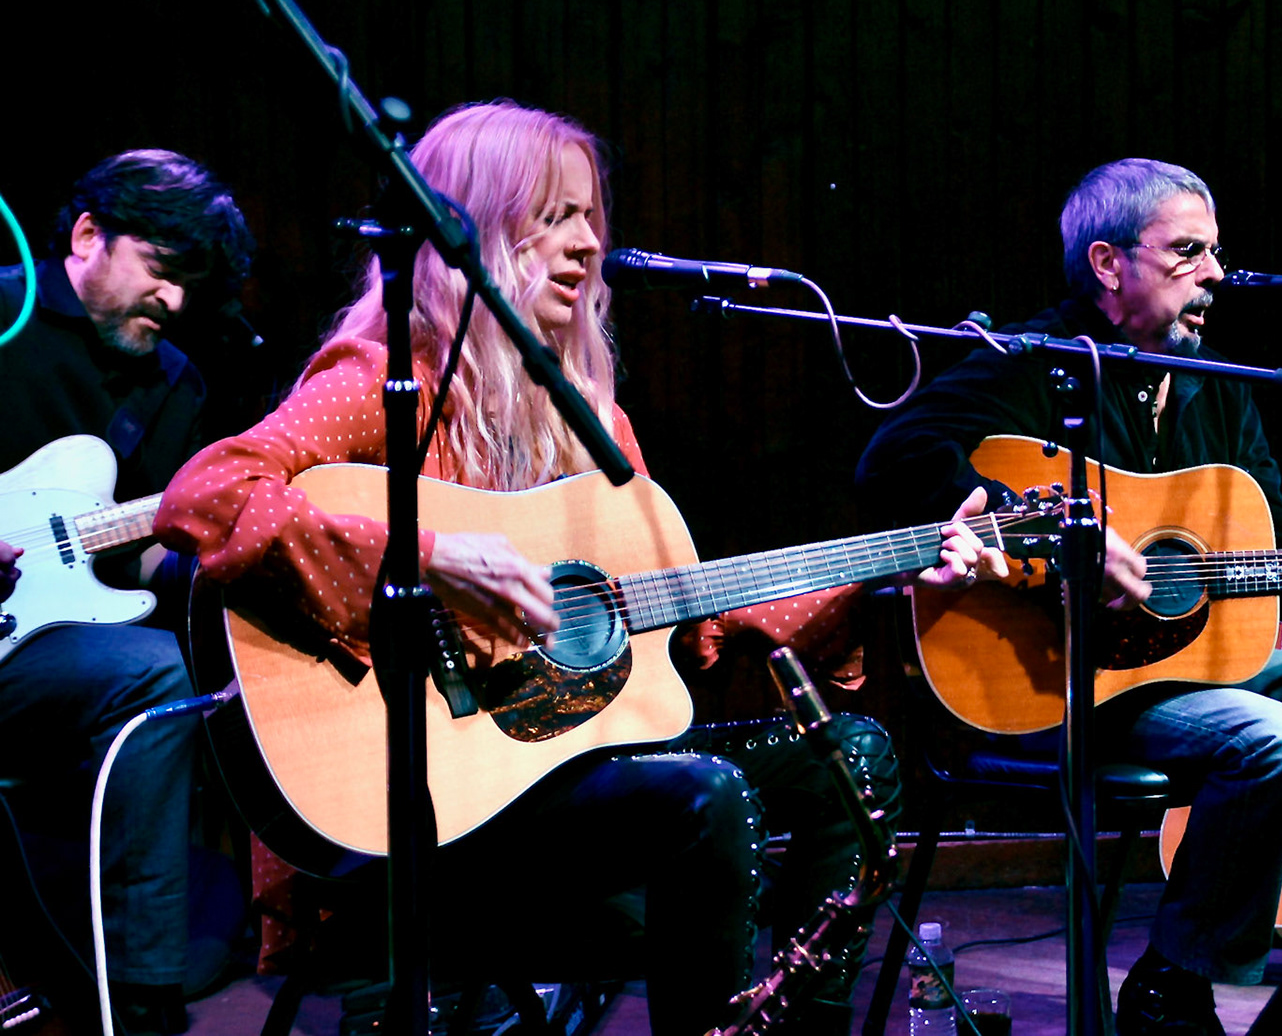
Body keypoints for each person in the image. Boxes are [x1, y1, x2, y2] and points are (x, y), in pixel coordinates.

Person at [153, 101, 993, 1036]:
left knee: (854, 759)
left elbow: (697, 627)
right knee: (705, 796)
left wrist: (890, 575)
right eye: (554, 218)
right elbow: (205, 495)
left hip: (563, 777)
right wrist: (428, 559)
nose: (589, 245)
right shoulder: (383, 377)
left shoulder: (592, 422)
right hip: (425, 813)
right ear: (472, 231)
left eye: (591, 217)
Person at [855, 158, 1282, 1036]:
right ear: (1108, 264)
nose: (1215, 274)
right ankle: (1175, 984)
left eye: (1215, 251)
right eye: (1187, 252)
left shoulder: (1217, 384)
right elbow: (894, 461)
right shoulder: (1030, 364)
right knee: (1270, 738)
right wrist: (1054, 537)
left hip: (1192, 670)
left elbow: (1281, 560)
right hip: (1056, 679)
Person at [0, 149, 255, 1035]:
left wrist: (219, 560)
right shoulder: (4, 316)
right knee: (149, 668)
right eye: (160, 268)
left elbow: (142, 557)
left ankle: (136, 987)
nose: (174, 299)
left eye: (191, 284)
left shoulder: (173, 382)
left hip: (44, 651)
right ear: (87, 236)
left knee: (174, 664)